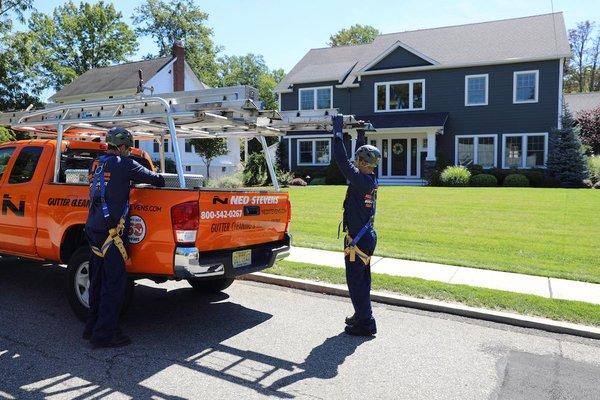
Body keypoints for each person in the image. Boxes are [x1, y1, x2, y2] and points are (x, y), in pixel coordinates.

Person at [84, 127, 165, 348]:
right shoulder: (125, 164)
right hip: (112, 232)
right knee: (114, 284)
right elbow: (156, 179)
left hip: (93, 228)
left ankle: (91, 326)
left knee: (97, 280)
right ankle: (105, 335)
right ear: (120, 146)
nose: (129, 151)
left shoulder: (96, 163)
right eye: (127, 147)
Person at [331, 115, 381, 337]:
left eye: (357, 159)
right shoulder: (369, 178)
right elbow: (353, 160)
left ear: (362, 163)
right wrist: (360, 134)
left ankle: (366, 323)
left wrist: (337, 132)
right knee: (363, 280)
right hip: (366, 237)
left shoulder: (360, 180)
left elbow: (341, 160)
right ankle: (361, 315)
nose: (354, 162)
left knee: (356, 283)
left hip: (358, 241)